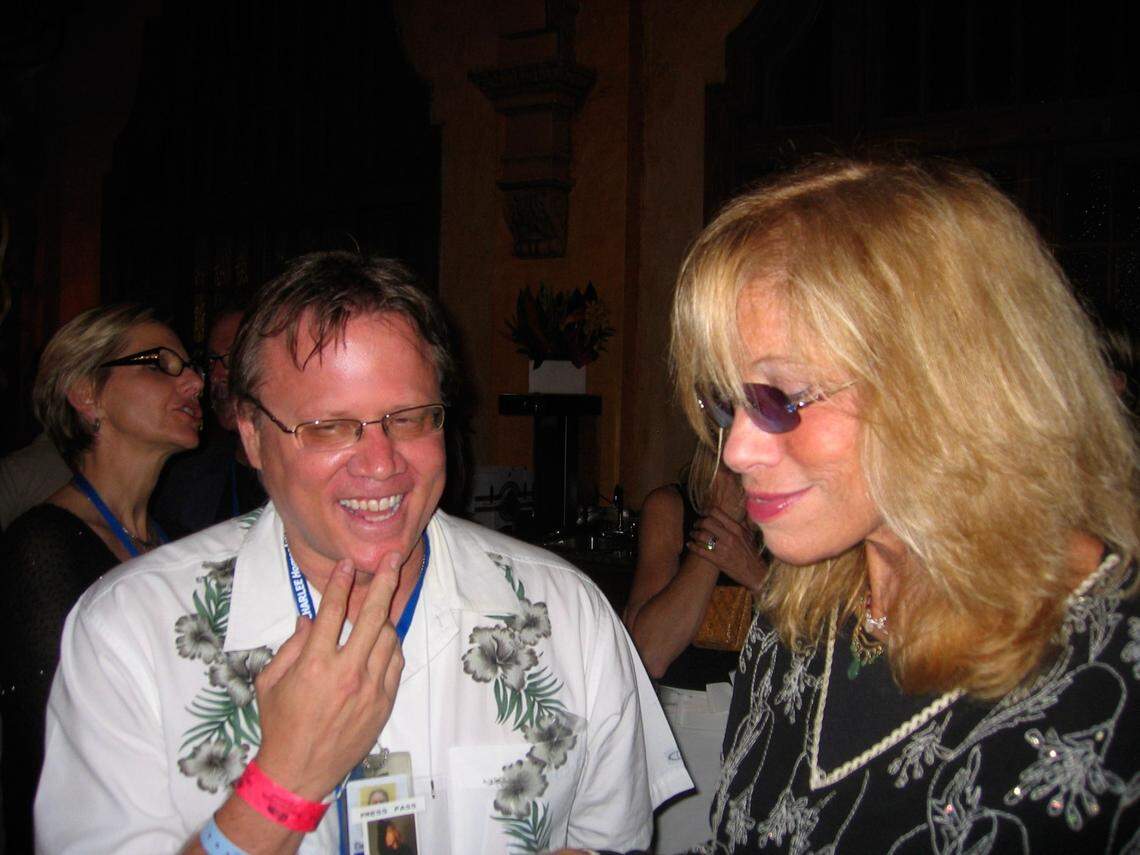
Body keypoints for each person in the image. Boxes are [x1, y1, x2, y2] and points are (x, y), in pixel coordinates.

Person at [36, 252, 690, 853]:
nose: (382, 464)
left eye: (409, 417)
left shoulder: (567, 613)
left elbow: (612, 840)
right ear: (254, 436)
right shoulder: (129, 634)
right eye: (328, 426)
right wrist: (285, 781)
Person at [667, 158, 1140, 852]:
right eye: (727, 400)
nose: (735, 450)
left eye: (779, 396)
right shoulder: (801, 613)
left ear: (949, 381)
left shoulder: (1113, 675)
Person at [0, 304, 203, 851]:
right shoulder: (40, 548)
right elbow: (59, 750)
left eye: (189, 365)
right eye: (159, 364)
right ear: (87, 394)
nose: (195, 379)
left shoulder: (177, 542)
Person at [623, 441, 765, 851]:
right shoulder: (671, 507)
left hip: (772, 721)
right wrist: (718, 529)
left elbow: (823, 633)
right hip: (692, 727)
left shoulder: (795, 511)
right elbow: (650, 653)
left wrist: (757, 577)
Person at [152, 307, 267, 537]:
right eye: (211, 361)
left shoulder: (322, 471)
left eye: (233, 357)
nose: (216, 377)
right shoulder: (186, 482)